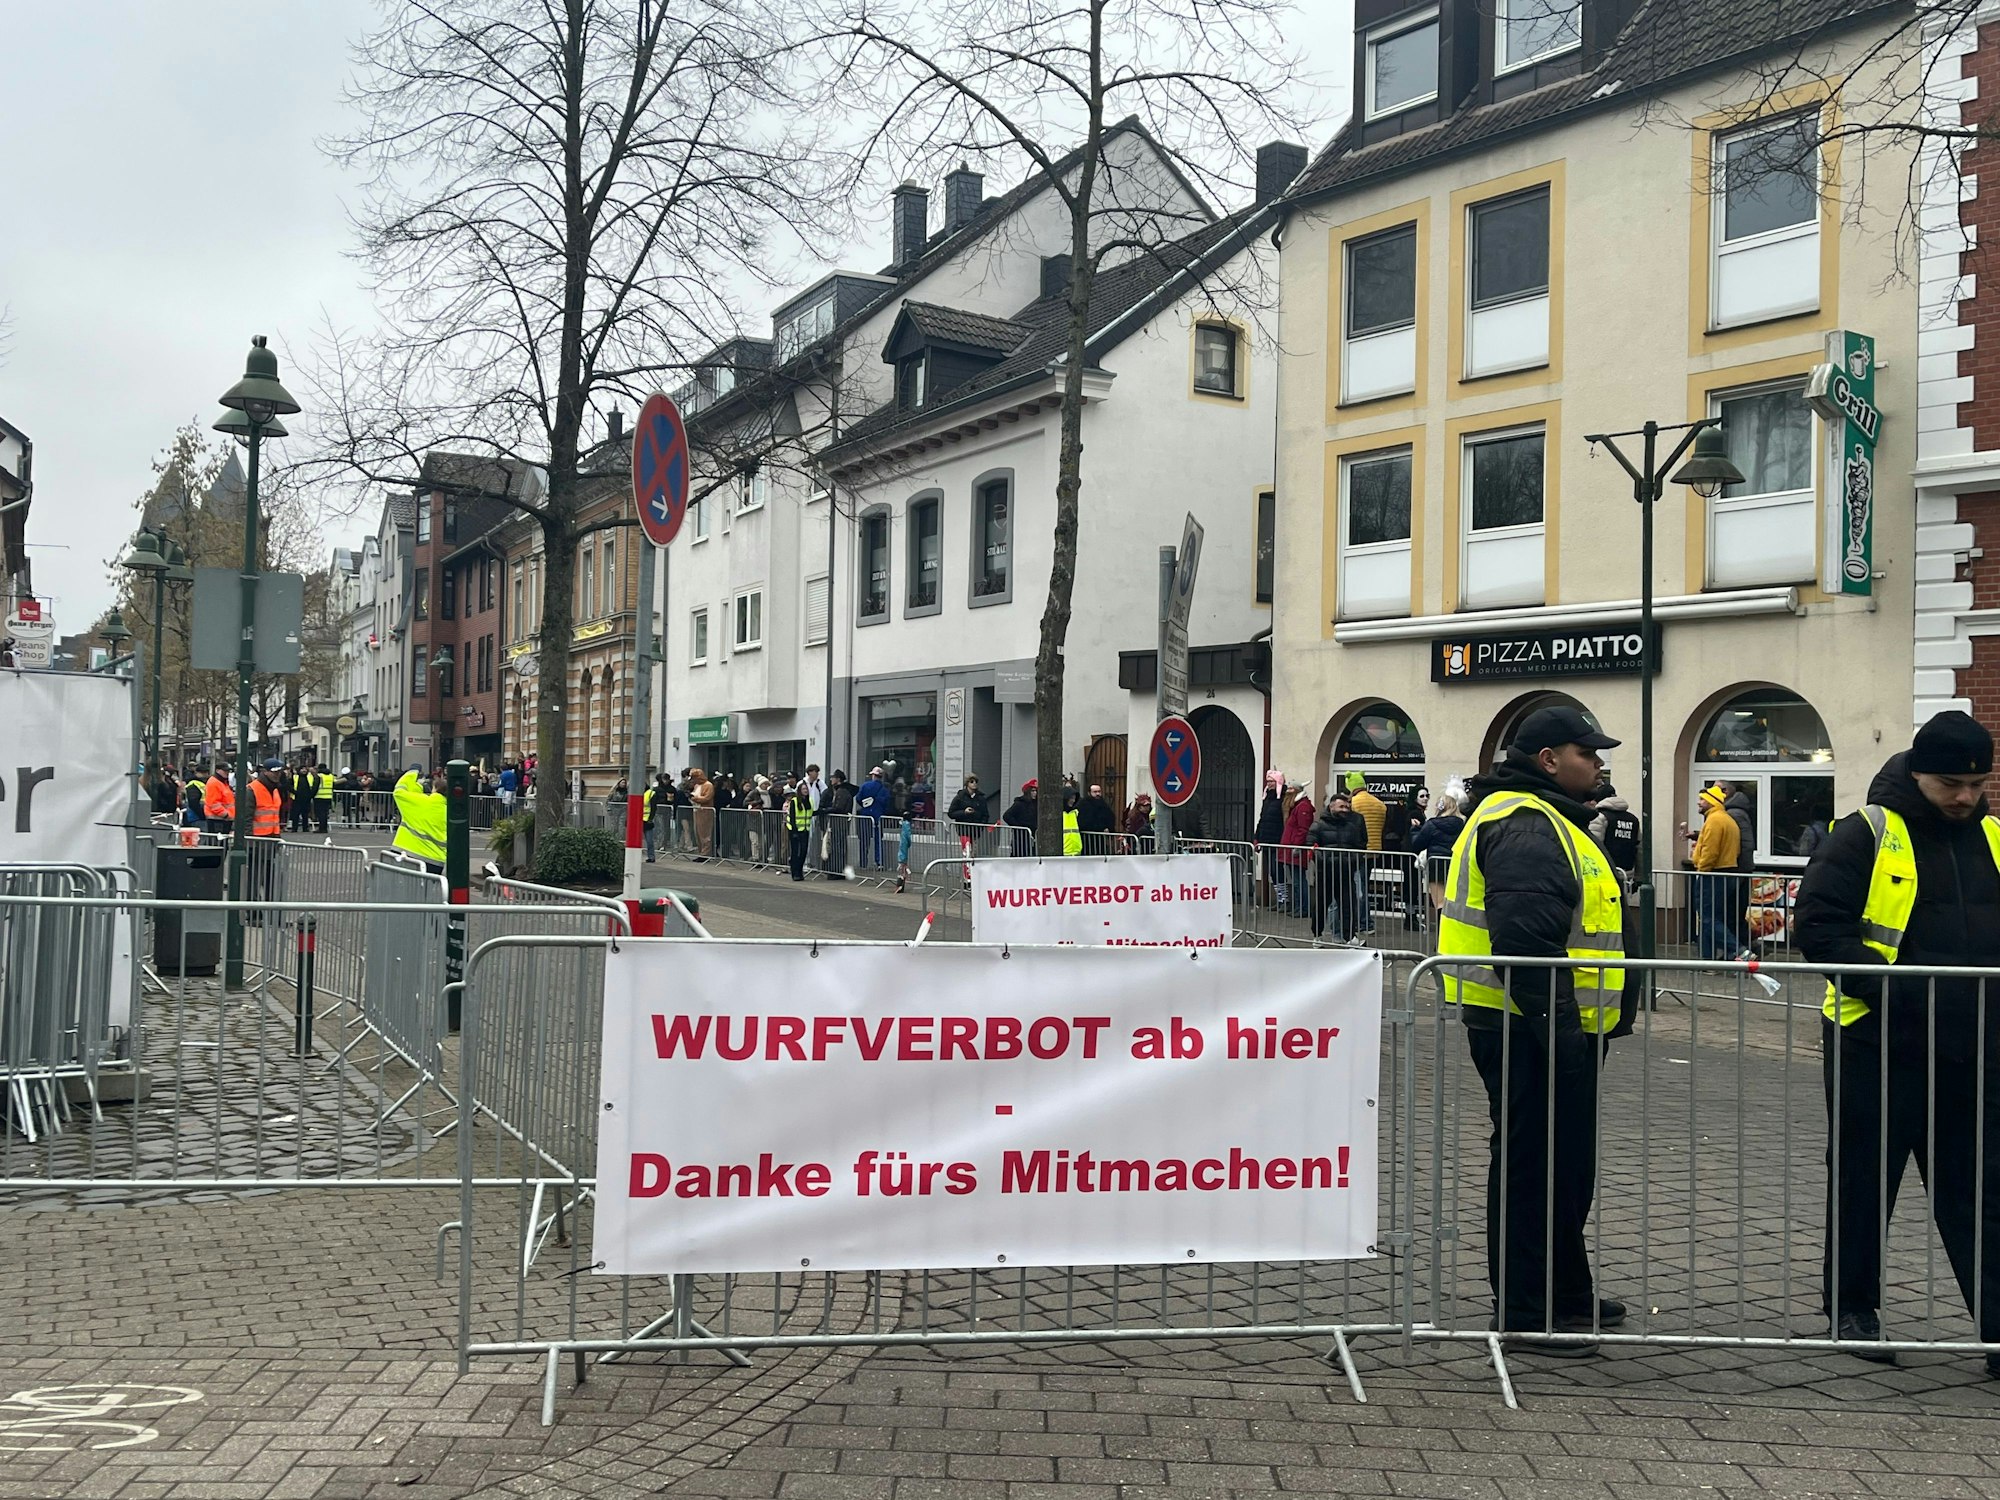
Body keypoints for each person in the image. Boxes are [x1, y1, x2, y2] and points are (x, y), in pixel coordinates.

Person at [1795, 710, 2000, 1371]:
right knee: (1864, 1179)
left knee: (1981, 1188)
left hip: (1977, 1044)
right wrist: (1902, 994)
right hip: (1877, 1039)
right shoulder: (1866, 834)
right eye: (1950, 784)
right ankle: (1852, 1311)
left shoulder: (1995, 836)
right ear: (1918, 772)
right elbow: (1821, 930)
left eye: (1976, 784)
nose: (1965, 797)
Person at [1439, 706, 1627, 1352]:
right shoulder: (1524, 822)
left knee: (1564, 1164)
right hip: (1527, 1024)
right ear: (1549, 759)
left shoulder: (1545, 817)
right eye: (1588, 752)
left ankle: (1566, 1293)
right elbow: (1525, 941)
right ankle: (1525, 1310)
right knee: (1535, 1165)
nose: (1599, 762)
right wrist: (1562, 1031)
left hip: (1539, 1022)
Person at [1688, 784, 1742, 959]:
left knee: (1707, 918)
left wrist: (1701, 868)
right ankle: (1707, 959)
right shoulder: (1725, 819)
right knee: (1711, 918)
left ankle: (1739, 950)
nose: (1699, 802)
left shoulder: (1715, 821)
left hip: (1712, 874)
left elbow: (1711, 851)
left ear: (1712, 801)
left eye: (1702, 799)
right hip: (1725, 872)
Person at [1308, 790, 1368, 942]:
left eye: (1347, 807)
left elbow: (1359, 846)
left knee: (1348, 906)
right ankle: (1317, 936)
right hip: (1325, 872)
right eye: (1341, 807)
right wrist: (1323, 859)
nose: (1345, 810)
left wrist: (1353, 861)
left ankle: (1349, 937)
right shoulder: (1319, 825)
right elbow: (1310, 845)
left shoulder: (1351, 826)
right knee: (1321, 906)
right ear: (1332, 807)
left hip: (1346, 871)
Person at [1409, 792, 1466, 930]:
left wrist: (1415, 831)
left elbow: (1417, 845)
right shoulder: (1463, 823)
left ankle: (1442, 939)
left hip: (1436, 866)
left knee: (1440, 903)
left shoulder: (1432, 824)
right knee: (1456, 902)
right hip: (1456, 865)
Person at [392, 764, 447, 872]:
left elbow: (399, 791)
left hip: (406, 854)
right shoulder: (450, 812)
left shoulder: (419, 802)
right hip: (435, 861)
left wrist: (412, 773)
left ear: (434, 789)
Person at [1590, 781, 1641, 888]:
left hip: (1604, 875)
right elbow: (1640, 850)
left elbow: (1593, 848)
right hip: (1626, 874)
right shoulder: (1633, 819)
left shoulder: (1600, 817)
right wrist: (1639, 877)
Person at [1278, 784, 1314, 918]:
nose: (1288, 791)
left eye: (1291, 789)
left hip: (1295, 850)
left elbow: (1303, 829)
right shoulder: (1296, 806)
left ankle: (1303, 908)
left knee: (1299, 880)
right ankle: (1298, 907)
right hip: (1290, 849)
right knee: (1295, 880)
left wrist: (1296, 846)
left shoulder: (1303, 807)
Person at [1256, 774, 1287, 906]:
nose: (1269, 784)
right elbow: (1262, 819)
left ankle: (1284, 899)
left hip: (1277, 839)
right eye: (1268, 781)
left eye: (1272, 781)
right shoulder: (1267, 798)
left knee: (1277, 870)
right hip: (1266, 839)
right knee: (1272, 872)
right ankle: (1280, 898)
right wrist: (1257, 837)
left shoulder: (1283, 798)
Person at [821, 770, 856, 877]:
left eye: (833, 777)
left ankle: (836, 870)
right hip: (840, 822)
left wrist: (825, 810)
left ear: (838, 779)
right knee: (837, 845)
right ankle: (835, 869)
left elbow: (839, 808)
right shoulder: (842, 791)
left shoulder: (842, 792)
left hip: (839, 823)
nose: (831, 779)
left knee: (837, 846)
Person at [855, 766, 890, 870]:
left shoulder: (865, 786)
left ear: (873, 776)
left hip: (866, 815)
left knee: (864, 840)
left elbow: (858, 798)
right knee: (878, 839)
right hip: (879, 816)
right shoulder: (884, 789)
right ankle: (879, 862)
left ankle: (863, 863)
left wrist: (864, 805)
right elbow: (887, 803)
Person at [787, 778, 815, 881]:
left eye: (806, 789)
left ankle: (800, 871)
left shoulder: (810, 801)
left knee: (803, 852)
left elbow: (812, 813)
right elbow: (793, 817)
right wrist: (794, 831)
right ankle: (795, 873)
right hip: (795, 830)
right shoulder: (794, 801)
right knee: (795, 852)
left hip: (805, 830)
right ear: (800, 790)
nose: (805, 790)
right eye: (803, 789)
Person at [947, 776, 990, 841]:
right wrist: (964, 812)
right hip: (964, 830)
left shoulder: (981, 798)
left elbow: (985, 814)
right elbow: (951, 813)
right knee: (966, 849)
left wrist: (981, 826)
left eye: (976, 782)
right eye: (972, 782)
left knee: (973, 850)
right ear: (967, 784)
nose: (974, 783)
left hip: (975, 830)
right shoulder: (960, 797)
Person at [1079, 783, 1117, 854]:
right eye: (1095, 792)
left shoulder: (1103, 803)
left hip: (1100, 840)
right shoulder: (1083, 804)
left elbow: (1110, 816)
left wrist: (1109, 828)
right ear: (1089, 793)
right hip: (1087, 840)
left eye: (1099, 791)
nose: (1097, 794)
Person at [1002, 781, 1038, 856]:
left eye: (1036, 791)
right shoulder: (1019, 804)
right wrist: (1019, 826)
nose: (1035, 793)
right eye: (1033, 791)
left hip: (1032, 836)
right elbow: (1007, 816)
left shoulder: (1036, 804)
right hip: (1020, 837)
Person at [204, 765, 236, 837]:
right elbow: (213, 803)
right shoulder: (214, 783)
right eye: (225, 771)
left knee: (221, 843)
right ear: (217, 770)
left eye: (228, 771)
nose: (227, 772)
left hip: (223, 819)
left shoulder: (222, 782)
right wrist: (225, 815)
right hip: (218, 819)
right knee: (217, 844)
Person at [1060, 785, 1084, 856]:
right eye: (1071, 798)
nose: (1073, 801)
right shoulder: (1058, 814)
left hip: (1076, 850)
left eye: (1074, 798)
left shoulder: (1075, 812)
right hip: (1064, 851)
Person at [313, 763, 335, 834]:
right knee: (325, 814)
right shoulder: (331, 776)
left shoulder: (319, 776)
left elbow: (315, 786)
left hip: (319, 796)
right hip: (328, 796)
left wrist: (312, 795)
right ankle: (324, 828)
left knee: (320, 814)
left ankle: (321, 828)